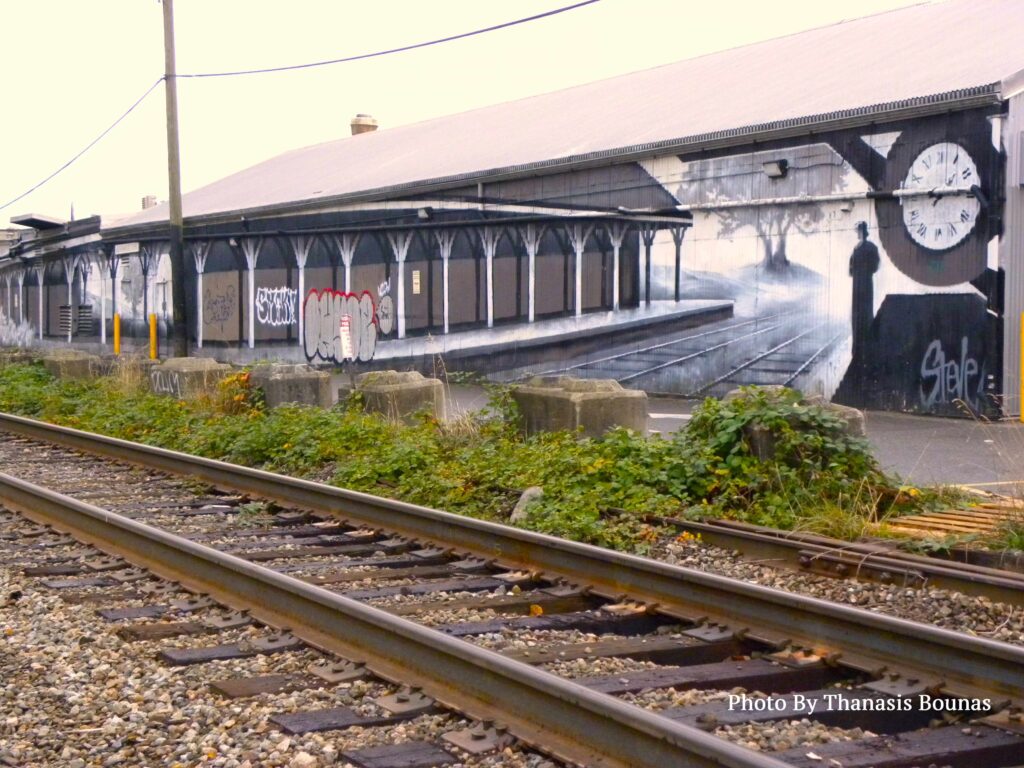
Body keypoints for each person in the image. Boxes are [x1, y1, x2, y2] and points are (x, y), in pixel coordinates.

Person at [849, 221, 880, 359]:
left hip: (857, 285)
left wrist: (858, 271)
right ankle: (866, 348)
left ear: (861, 231)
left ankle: (857, 349)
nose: (857, 234)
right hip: (866, 283)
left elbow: (850, 270)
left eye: (858, 231)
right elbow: (875, 266)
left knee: (857, 315)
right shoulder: (872, 247)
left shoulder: (856, 249)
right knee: (866, 313)